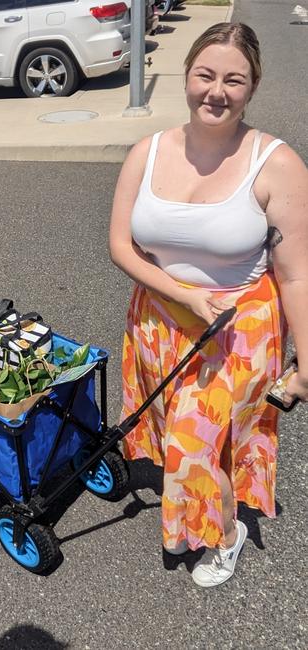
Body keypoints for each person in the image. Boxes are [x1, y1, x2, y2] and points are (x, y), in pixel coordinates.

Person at [109, 23, 308, 588]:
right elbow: (120, 245)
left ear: (252, 87)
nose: (216, 91)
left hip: (239, 329)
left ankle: (224, 532)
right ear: (187, 75)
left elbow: (297, 273)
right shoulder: (146, 153)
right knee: (184, 426)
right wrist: (181, 294)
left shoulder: (277, 164)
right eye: (205, 75)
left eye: (233, 80)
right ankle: (211, 500)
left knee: (194, 438)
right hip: (159, 317)